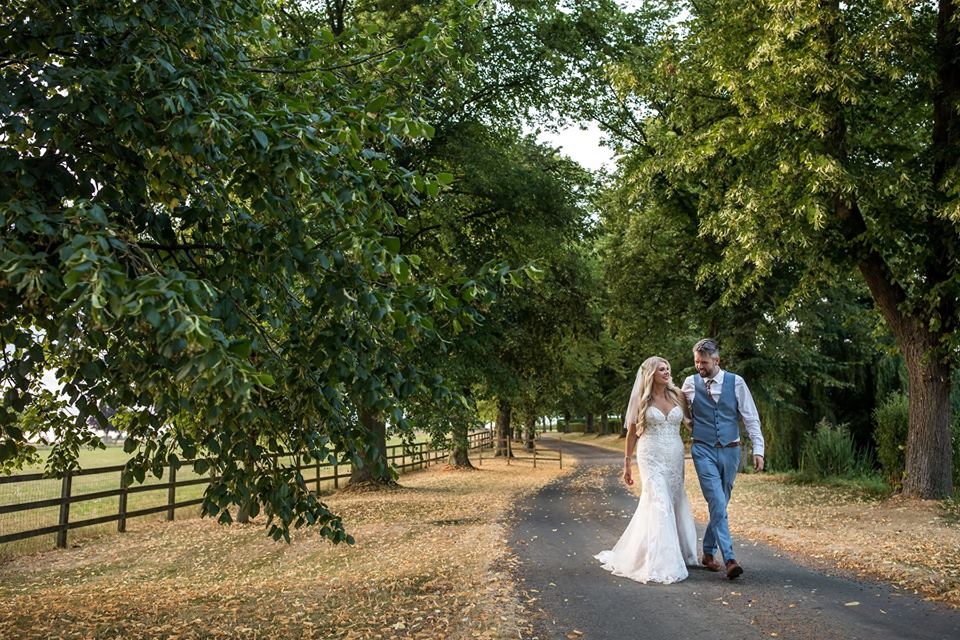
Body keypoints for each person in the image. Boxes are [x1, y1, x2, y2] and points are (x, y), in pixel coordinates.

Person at [595, 356, 698, 584]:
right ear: (651, 374)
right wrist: (626, 463)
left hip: (674, 454)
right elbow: (632, 433)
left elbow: (690, 423)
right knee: (658, 500)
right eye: (661, 369)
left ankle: (679, 550)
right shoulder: (641, 400)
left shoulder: (678, 395)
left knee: (674, 498)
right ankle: (662, 560)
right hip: (650, 454)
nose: (667, 372)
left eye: (668, 368)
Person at [681, 338, 764, 580]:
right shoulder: (689, 383)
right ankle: (729, 558)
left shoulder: (736, 383)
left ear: (716, 360)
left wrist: (758, 449)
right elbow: (676, 407)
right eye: (696, 362)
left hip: (731, 450)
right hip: (703, 449)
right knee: (716, 500)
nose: (699, 366)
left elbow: (750, 418)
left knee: (721, 503)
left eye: (704, 362)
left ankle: (707, 553)